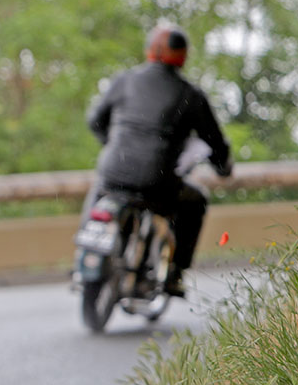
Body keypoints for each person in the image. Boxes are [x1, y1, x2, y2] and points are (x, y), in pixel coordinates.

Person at [85, 24, 233, 297]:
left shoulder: (124, 80)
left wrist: (112, 143)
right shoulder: (190, 95)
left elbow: (95, 120)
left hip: (113, 173)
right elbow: (215, 142)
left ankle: (84, 247)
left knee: (100, 189)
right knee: (195, 200)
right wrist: (223, 168)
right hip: (158, 183)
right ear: (182, 57)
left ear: (150, 50)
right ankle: (176, 272)